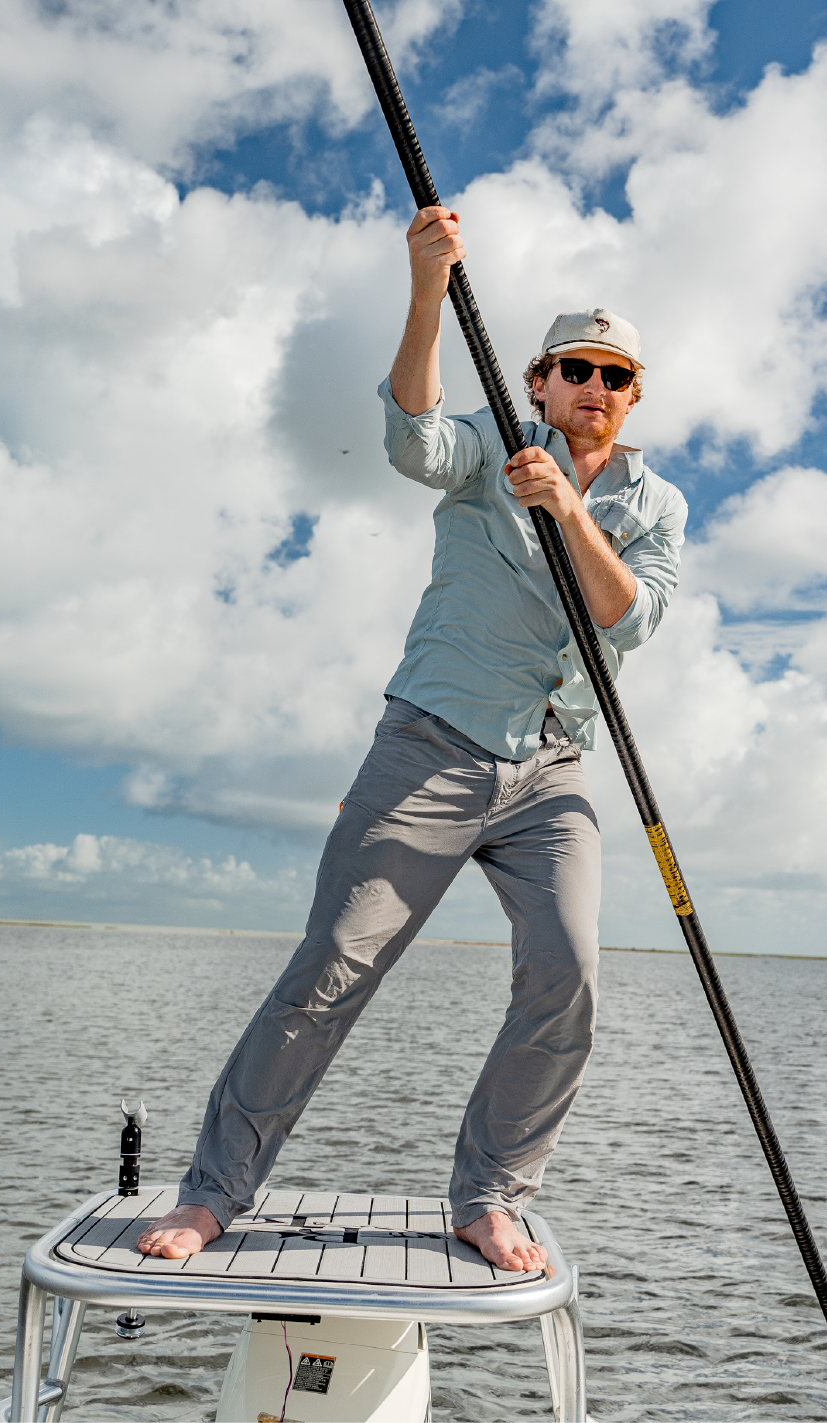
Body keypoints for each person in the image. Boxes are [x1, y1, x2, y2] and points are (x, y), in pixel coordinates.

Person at [137, 206, 687, 1272]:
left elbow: (630, 618)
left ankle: (488, 1194)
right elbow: (409, 439)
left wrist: (569, 515)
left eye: (614, 375)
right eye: (573, 367)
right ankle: (212, 1192)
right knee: (333, 965)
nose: (592, 387)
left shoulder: (654, 502)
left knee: (567, 969)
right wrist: (427, 287)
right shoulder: (493, 437)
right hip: (430, 745)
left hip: (554, 768)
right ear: (537, 380)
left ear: (631, 396)